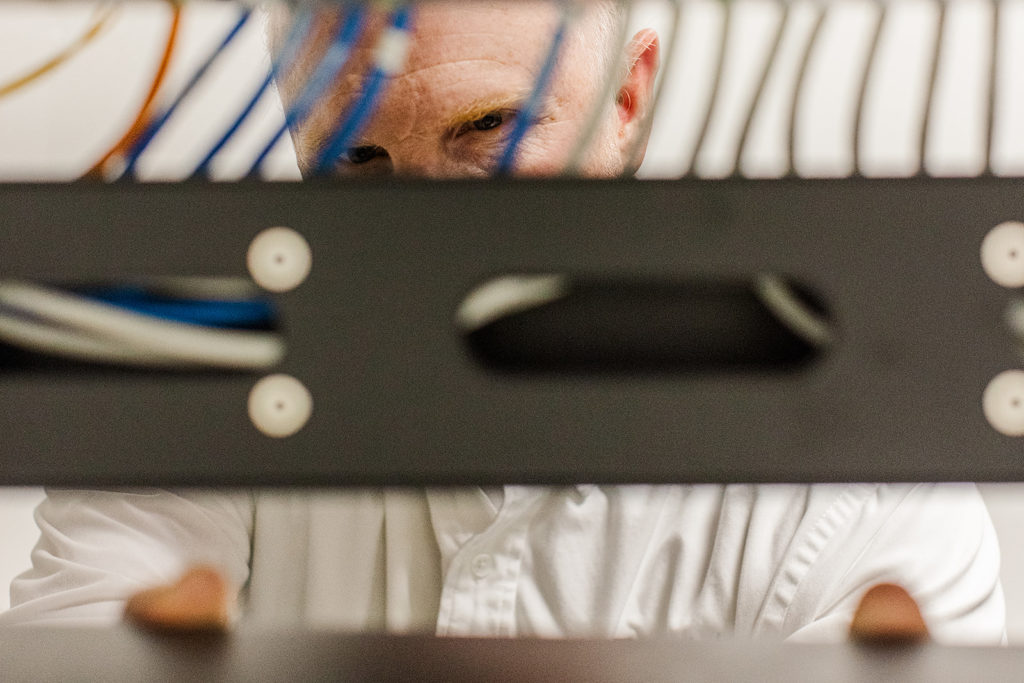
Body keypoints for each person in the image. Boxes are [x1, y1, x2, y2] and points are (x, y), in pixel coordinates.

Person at [1, 1, 1005, 644]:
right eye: (358, 157)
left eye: (486, 127)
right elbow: (85, 619)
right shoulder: (200, 368)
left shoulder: (869, 483)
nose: (428, 219)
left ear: (629, 94)